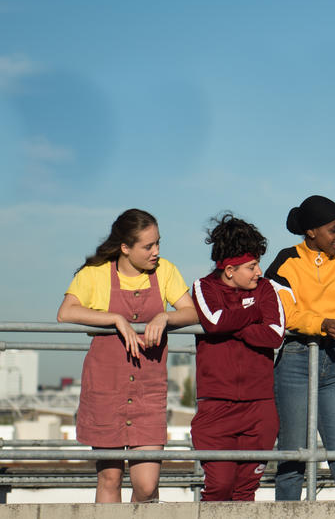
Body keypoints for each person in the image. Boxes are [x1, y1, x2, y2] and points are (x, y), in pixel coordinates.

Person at [56, 209, 197, 503]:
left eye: (158, 243)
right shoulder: (94, 274)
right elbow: (66, 312)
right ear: (125, 247)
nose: (156, 252)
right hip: (106, 390)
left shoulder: (166, 271)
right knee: (109, 477)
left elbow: (193, 311)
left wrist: (165, 317)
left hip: (149, 390)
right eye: (148, 246)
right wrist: (116, 320)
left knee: (147, 485)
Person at [264, 195, 335, 500]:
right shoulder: (285, 261)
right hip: (294, 360)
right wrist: (321, 323)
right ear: (311, 231)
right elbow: (285, 314)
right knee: (292, 457)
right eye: (334, 229)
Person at [190, 213, 285, 501]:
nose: (259, 272)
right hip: (216, 408)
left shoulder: (266, 288)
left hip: (260, 406)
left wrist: (235, 326)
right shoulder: (203, 287)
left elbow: (274, 335)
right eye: (252, 266)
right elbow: (215, 322)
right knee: (219, 486)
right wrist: (252, 315)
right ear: (230, 270)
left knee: (246, 491)